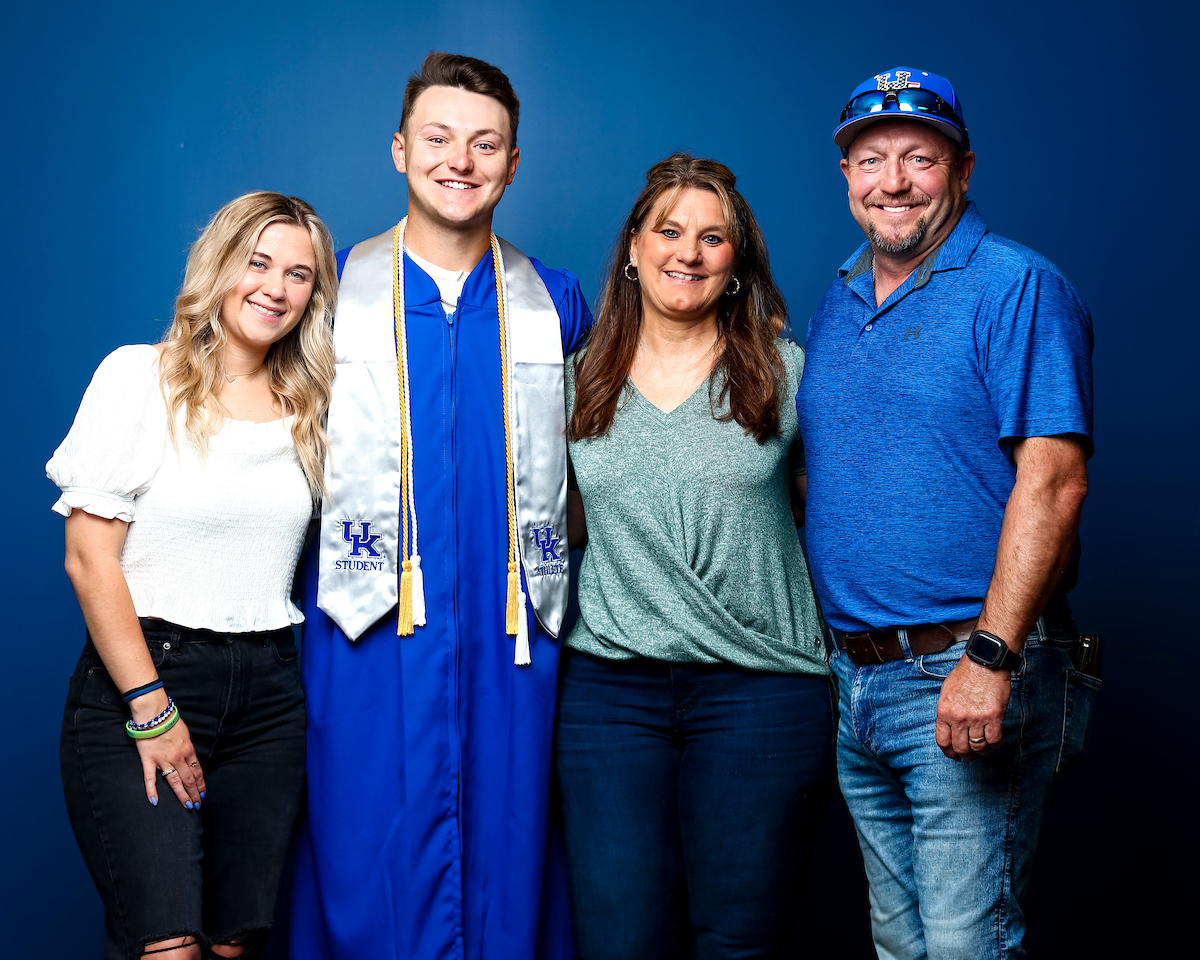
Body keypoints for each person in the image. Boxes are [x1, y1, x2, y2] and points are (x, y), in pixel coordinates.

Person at [287, 53, 592, 960]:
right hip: (365, 624)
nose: (461, 160)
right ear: (399, 151)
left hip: (514, 632)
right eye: (438, 138)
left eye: (486, 143)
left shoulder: (554, 301)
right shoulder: (334, 294)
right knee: (362, 839)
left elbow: (615, 445)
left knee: (512, 837)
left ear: (513, 163)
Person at [796, 67, 1099, 959]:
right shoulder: (838, 298)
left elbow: (1054, 482)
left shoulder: (1018, 287)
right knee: (902, 946)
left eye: (919, 159)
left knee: (967, 948)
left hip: (963, 673)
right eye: (872, 159)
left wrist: (990, 658)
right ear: (847, 176)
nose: (893, 181)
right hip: (857, 685)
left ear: (963, 170)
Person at [557, 153, 832, 959]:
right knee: (618, 941)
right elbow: (557, 527)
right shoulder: (577, 381)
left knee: (737, 943)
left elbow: (841, 516)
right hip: (609, 695)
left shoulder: (787, 374)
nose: (689, 251)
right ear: (634, 248)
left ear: (737, 264)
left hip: (762, 692)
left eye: (714, 239)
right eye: (670, 231)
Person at [50, 191, 338, 959]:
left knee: (230, 944)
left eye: (300, 275)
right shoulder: (140, 378)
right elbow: (88, 557)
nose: (275, 287)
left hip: (271, 697)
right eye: (259, 263)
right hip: (145, 677)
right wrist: (151, 708)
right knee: (168, 947)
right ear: (220, 265)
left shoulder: (313, 410)